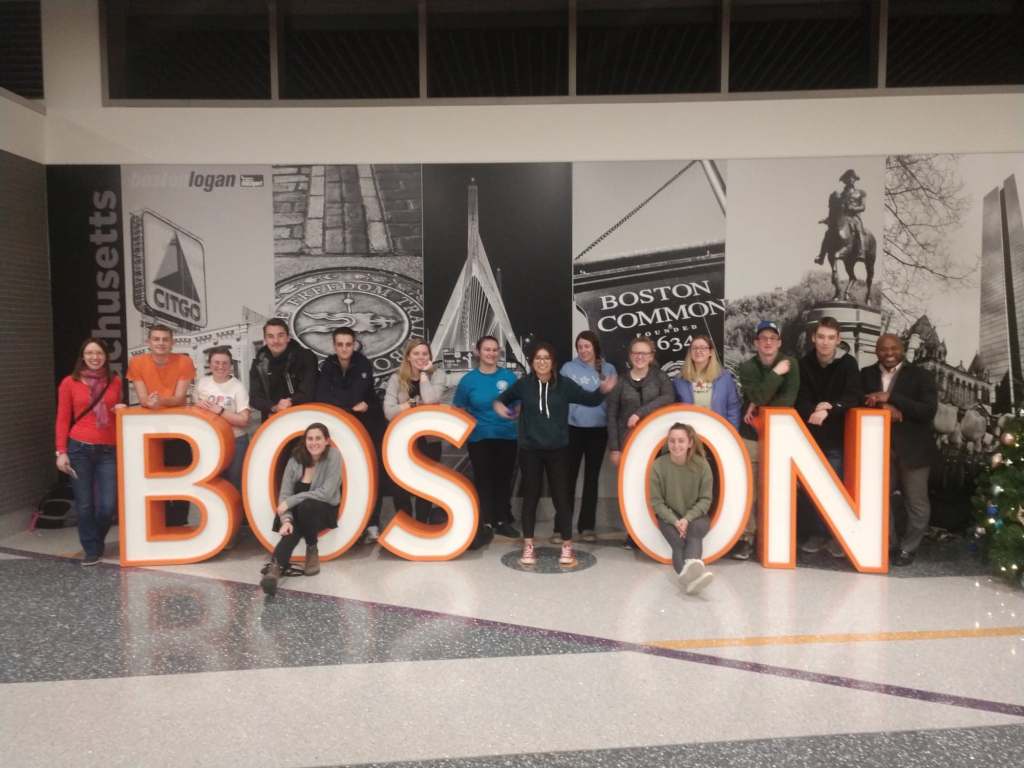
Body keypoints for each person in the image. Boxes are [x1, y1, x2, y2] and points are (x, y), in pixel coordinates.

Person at [494, 342, 615, 567]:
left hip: (558, 451)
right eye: (538, 358)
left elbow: (589, 400)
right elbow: (503, 399)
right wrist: (500, 405)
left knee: (562, 498)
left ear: (553, 362)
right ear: (532, 362)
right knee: (530, 498)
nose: (542, 362)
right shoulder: (523, 385)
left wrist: (602, 390)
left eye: (546, 358)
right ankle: (528, 545)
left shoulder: (564, 384)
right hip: (530, 451)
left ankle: (567, 546)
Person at [861, 334, 938, 567]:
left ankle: (908, 548)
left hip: (914, 449)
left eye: (894, 348)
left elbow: (927, 411)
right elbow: (857, 400)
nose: (889, 353)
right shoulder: (865, 374)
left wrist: (892, 397)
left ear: (902, 349)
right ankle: (889, 544)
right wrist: (884, 406)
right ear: (876, 351)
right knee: (877, 498)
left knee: (917, 503)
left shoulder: (921, 375)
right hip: (878, 447)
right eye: (883, 349)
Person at [795, 316, 862, 558]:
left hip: (836, 437)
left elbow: (853, 397)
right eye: (821, 337)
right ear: (814, 338)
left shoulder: (848, 364)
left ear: (838, 339)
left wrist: (829, 409)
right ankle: (817, 534)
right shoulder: (804, 364)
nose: (825, 342)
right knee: (813, 487)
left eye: (831, 338)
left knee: (834, 487)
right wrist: (815, 409)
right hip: (810, 436)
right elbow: (799, 398)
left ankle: (836, 536)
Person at [734, 320, 800, 561]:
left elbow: (788, 400)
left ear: (779, 342)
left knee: (775, 488)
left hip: (779, 435)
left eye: (773, 338)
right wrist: (774, 375)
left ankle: (771, 538)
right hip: (751, 434)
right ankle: (747, 538)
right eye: (763, 338)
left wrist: (757, 403)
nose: (768, 342)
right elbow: (759, 395)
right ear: (756, 343)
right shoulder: (747, 367)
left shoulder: (791, 363)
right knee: (748, 489)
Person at [55, 338, 124, 565]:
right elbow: (63, 419)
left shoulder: (114, 381)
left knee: (107, 506)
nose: (95, 357)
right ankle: (91, 550)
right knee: (84, 504)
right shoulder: (69, 382)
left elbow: (114, 412)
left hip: (108, 450)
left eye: (99, 353)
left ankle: (96, 540)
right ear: (82, 357)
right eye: (90, 353)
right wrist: (61, 451)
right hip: (79, 448)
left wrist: (119, 411)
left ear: (105, 356)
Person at [315, 327, 387, 542]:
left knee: (369, 475)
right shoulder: (328, 365)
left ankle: (372, 524)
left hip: (367, 426)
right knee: (341, 477)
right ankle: (347, 527)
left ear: (354, 344)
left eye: (348, 344)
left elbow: (356, 394)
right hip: (341, 428)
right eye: (340, 344)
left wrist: (340, 400)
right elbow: (322, 396)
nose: (344, 349)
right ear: (334, 345)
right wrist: (349, 405)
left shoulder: (363, 363)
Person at [452, 335, 521, 546]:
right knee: (483, 480)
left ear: (499, 352)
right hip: (479, 438)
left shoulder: (509, 377)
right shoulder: (468, 380)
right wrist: (470, 424)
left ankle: (501, 520)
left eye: (494, 350)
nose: (491, 353)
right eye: (487, 349)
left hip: (506, 436)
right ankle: (486, 522)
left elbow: (519, 405)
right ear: (478, 352)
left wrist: (513, 413)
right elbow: (458, 408)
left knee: (503, 479)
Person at [606, 336, 674, 548]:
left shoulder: (660, 377)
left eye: (644, 353)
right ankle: (633, 534)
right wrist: (615, 448)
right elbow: (612, 415)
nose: (639, 357)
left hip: (657, 445)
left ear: (651, 356)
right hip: (629, 444)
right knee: (632, 489)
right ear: (630, 356)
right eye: (636, 353)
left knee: (657, 488)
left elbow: (668, 398)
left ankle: (659, 532)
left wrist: (640, 413)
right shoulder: (621, 381)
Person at [260, 422, 342, 595]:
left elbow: (326, 493)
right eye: (310, 439)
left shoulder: (333, 456)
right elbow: (284, 494)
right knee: (292, 528)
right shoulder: (295, 460)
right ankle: (274, 570)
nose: (314, 443)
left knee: (307, 505)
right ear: (305, 441)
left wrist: (292, 501)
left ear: (327, 441)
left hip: (322, 510)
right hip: (297, 513)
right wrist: (286, 520)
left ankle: (311, 548)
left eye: (318, 438)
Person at [126, 324, 196, 526]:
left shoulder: (184, 361)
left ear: (172, 342)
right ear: (148, 342)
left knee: (181, 476)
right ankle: (158, 524)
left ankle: (179, 524)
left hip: (178, 430)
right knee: (153, 479)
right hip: (149, 431)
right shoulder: (137, 363)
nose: (161, 343)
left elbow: (180, 397)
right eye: (156, 339)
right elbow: (142, 398)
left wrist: (159, 401)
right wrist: (150, 402)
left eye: (165, 339)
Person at [559, 331, 617, 543]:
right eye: (580, 347)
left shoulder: (609, 369)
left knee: (592, 479)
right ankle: (562, 527)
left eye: (587, 346)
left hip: (597, 431)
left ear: (594, 347)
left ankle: (587, 527)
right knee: (567, 478)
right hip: (572, 429)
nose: (583, 350)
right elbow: (560, 396)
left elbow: (613, 401)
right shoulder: (568, 368)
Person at [384, 338, 449, 524]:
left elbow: (429, 400)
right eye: (416, 353)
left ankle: (421, 524)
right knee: (400, 486)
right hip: (402, 441)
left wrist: (424, 376)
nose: (421, 357)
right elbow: (388, 412)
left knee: (426, 484)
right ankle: (405, 523)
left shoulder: (438, 375)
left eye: (425, 354)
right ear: (408, 357)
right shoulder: (397, 378)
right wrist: (411, 404)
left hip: (429, 440)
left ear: (430, 356)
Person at [650, 422, 714, 595]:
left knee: (694, 533)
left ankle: (690, 580)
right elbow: (657, 502)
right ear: (667, 442)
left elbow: (706, 499)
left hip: (696, 515)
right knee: (678, 544)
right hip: (669, 515)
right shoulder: (658, 466)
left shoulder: (702, 465)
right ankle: (692, 581)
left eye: (681, 440)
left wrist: (687, 519)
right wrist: (675, 521)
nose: (676, 445)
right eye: (672, 441)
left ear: (690, 443)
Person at [193, 347, 251, 490]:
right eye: (216, 362)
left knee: (235, 484)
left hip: (235, 441)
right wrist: (197, 406)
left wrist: (220, 411)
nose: (220, 366)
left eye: (225, 363)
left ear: (231, 365)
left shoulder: (238, 387)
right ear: (210, 364)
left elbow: (244, 420)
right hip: (210, 440)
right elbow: (193, 409)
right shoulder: (202, 383)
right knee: (213, 484)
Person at [248, 318, 318, 423]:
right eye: (270, 336)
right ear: (265, 340)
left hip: (303, 418)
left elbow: (308, 391)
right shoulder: (259, 362)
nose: (276, 341)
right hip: (273, 420)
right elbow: (254, 398)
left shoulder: (306, 357)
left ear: (288, 337)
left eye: (280, 335)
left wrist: (291, 401)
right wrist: (274, 407)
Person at [673, 335, 741, 428]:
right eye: (694, 348)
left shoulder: (724, 377)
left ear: (710, 352)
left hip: (719, 429)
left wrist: (732, 431)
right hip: (690, 431)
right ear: (690, 352)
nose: (698, 351)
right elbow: (675, 410)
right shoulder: (679, 380)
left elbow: (733, 407)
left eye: (703, 348)